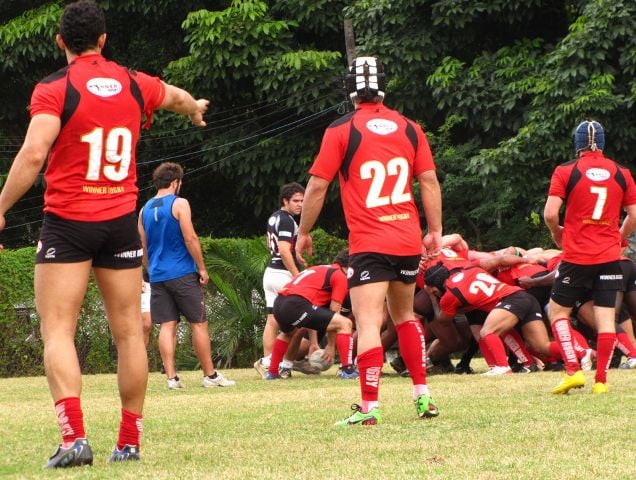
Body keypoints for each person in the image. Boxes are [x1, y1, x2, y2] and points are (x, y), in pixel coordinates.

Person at [0, 0, 209, 467]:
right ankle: (129, 442)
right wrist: (194, 107)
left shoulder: (54, 89)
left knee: (58, 330)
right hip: (119, 224)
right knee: (130, 335)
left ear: (60, 43)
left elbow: (34, 154)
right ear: (103, 40)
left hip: (69, 224)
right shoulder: (134, 83)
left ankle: (74, 439)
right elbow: (174, 96)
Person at [296, 56, 443, 425]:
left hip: (370, 241)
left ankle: (369, 408)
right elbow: (428, 181)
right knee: (406, 316)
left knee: (367, 320)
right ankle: (423, 398)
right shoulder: (410, 128)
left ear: (349, 90)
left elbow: (317, 185)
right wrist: (434, 231)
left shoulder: (341, 129)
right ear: (384, 88)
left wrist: (303, 231)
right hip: (407, 239)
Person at [544, 119, 636, 394]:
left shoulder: (566, 171)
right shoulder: (622, 173)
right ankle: (601, 382)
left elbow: (550, 213)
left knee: (558, 311)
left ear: (577, 144)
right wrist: (619, 236)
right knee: (607, 319)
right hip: (610, 256)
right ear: (604, 144)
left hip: (576, 255)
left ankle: (572, 370)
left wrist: (556, 232)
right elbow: (634, 214)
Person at [138, 162, 235, 391]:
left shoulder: (144, 209)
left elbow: (142, 246)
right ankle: (210, 376)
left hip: (158, 276)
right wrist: (201, 268)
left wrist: (151, 270)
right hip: (182, 272)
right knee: (199, 324)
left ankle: (172, 378)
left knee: (167, 325)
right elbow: (190, 237)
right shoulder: (180, 203)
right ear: (175, 182)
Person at [266, 249, 357, 379]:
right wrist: (331, 346)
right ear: (349, 266)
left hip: (280, 303)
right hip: (296, 303)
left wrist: (313, 342)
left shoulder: (321, 269)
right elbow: (334, 312)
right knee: (345, 323)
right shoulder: (340, 276)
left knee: (288, 333)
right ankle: (347, 370)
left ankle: (273, 372)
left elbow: (311, 312)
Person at [254, 182, 311, 378]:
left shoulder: (274, 217)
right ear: (284, 201)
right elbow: (284, 251)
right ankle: (278, 363)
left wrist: (298, 253)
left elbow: (279, 246)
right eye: (296, 201)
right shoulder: (286, 220)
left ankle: (268, 362)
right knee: (298, 322)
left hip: (270, 272)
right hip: (283, 274)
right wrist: (297, 275)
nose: (300, 204)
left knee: (272, 321)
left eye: (303, 201)